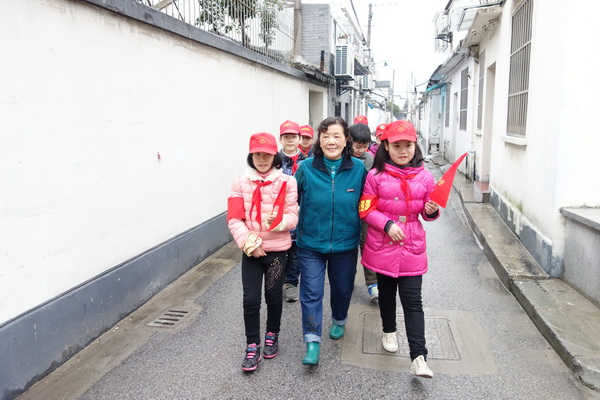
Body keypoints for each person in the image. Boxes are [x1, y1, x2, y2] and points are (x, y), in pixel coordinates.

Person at [359, 120, 440, 379]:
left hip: (411, 244)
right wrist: (387, 224)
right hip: (383, 243)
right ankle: (389, 330)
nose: (403, 151)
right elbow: (366, 209)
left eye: (408, 145)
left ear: (415, 145)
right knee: (386, 295)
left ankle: (419, 357)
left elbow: (428, 211)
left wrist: (431, 211)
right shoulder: (375, 176)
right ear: (386, 146)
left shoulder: (425, 177)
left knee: (413, 301)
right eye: (397, 146)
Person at [294, 117, 367, 365]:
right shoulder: (305, 168)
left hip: (345, 244)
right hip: (310, 244)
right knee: (311, 292)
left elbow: (370, 202)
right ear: (319, 140)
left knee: (343, 289)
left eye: (336, 136)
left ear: (346, 140)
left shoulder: (358, 169)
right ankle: (312, 341)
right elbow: (290, 200)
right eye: (325, 136)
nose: (331, 141)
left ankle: (339, 319)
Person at [227, 132, 299, 372]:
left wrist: (279, 223)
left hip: (277, 252)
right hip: (251, 252)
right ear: (251, 156)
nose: (262, 159)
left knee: (273, 296)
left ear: (274, 155)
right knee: (250, 300)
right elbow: (234, 218)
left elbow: (293, 215)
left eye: (267, 154)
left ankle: (272, 335)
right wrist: (249, 242)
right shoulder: (240, 182)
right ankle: (252, 344)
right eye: (257, 154)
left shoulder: (288, 182)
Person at [348, 123, 378, 302]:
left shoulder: (371, 160)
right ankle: (346, 279)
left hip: (366, 209)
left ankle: (373, 284)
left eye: (364, 146)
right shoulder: (342, 158)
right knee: (348, 247)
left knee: (367, 244)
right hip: (347, 210)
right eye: (357, 146)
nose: (360, 150)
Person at [278, 120, 305, 302]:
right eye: (286, 136)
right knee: (279, 252)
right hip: (279, 215)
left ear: (299, 139)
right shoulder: (274, 161)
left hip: (301, 215)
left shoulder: (307, 162)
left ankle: (291, 283)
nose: (290, 140)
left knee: (295, 255)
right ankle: (279, 280)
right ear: (280, 139)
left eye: (293, 136)